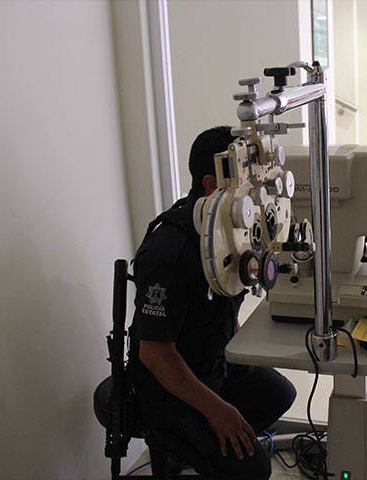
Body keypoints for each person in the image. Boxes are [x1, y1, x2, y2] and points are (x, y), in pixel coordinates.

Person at [130, 126, 296, 479]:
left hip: (212, 362)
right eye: (243, 181)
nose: (253, 192)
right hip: (167, 384)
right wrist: (218, 411)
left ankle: (212, 449)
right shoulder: (169, 253)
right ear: (211, 184)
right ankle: (198, 447)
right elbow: (155, 354)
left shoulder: (230, 236)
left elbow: (223, 305)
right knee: (253, 470)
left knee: (279, 394)